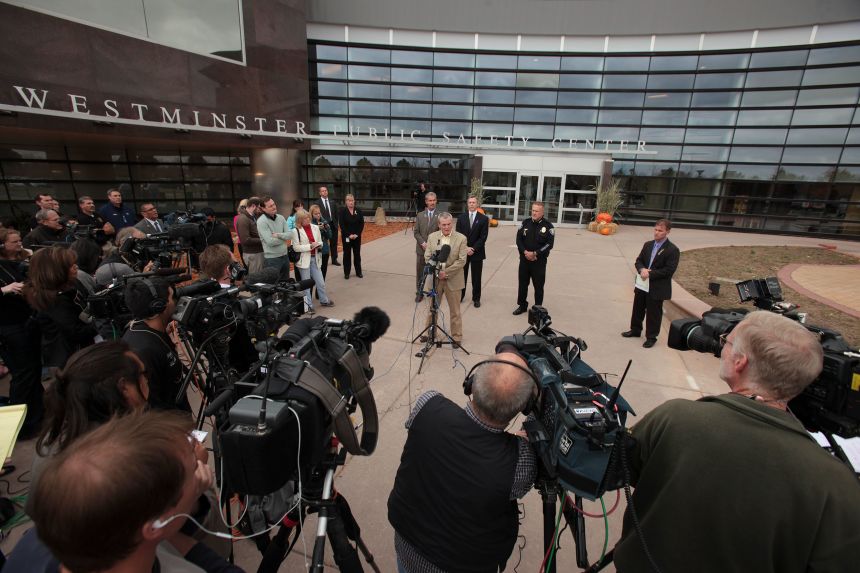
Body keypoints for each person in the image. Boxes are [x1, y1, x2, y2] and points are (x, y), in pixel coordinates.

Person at [614, 311, 860, 572]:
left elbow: (615, 468)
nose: (721, 348)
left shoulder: (675, 418)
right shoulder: (837, 484)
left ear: (740, 362)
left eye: (726, 342)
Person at [9, 409, 243, 573]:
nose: (200, 468)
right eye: (193, 467)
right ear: (154, 524)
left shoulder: (61, 537)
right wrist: (199, 495)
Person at [388, 351, 538, 573]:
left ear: (472, 383)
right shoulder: (520, 462)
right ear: (522, 407)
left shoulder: (427, 405)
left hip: (407, 547)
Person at [24, 246, 98, 370]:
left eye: (75, 264)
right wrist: (101, 323)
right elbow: (76, 332)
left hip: (80, 350)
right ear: (56, 271)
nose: (76, 267)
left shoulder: (70, 285)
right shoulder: (53, 300)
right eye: (71, 266)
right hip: (72, 358)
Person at [0, 227, 43, 438]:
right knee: (23, 375)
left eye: (19, 241)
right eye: (14, 242)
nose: (19, 244)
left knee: (34, 370)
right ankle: (19, 427)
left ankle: (37, 416)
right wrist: (4, 290)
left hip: (27, 320)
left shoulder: (22, 260)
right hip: (9, 326)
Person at [122, 276, 188, 411]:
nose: (175, 301)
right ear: (159, 306)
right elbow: (152, 404)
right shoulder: (144, 351)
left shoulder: (147, 331)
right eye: (171, 297)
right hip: (171, 426)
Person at [620, 219, 680, 348]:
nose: (656, 233)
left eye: (660, 231)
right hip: (642, 284)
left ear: (667, 232)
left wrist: (650, 273)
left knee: (654, 313)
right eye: (655, 229)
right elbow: (639, 260)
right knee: (638, 308)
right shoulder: (648, 245)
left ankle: (651, 337)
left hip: (657, 287)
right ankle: (635, 330)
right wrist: (641, 269)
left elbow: (669, 270)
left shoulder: (672, 250)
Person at [421, 212, 467, 345]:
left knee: (455, 311)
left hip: (453, 279)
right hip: (435, 279)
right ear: (439, 224)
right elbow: (427, 256)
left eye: (448, 224)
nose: (446, 227)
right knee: (432, 309)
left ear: (452, 223)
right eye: (443, 225)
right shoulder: (432, 237)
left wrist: (445, 272)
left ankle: (457, 337)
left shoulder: (461, 238)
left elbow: (462, 261)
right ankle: (430, 333)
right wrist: (437, 270)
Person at [513, 202, 554, 316]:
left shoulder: (548, 226)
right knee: (522, 285)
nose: (534, 213)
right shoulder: (525, 223)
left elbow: (549, 244)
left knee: (539, 286)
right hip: (525, 261)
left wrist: (536, 253)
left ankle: (537, 309)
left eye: (537, 211)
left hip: (539, 262)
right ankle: (522, 306)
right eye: (533, 210)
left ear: (542, 212)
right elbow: (518, 239)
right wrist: (525, 252)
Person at [291, 209, 334, 312]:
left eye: (308, 217)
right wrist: (310, 246)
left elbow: (321, 241)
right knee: (306, 285)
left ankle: (324, 300)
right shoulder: (295, 230)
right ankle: (309, 306)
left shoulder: (315, 227)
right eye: (305, 218)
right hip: (304, 260)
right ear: (300, 220)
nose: (308, 219)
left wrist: (319, 244)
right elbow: (296, 247)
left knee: (321, 282)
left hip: (315, 258)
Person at [456, 196, 489, 308]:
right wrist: (466, 248)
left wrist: (473, 248)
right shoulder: (461, 218)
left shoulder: (484, 219)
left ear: (477, 204)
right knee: (462, 276)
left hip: (477, 253)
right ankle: (461, 296)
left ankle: (476, 299)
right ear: (467, 204)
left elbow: (483, 237)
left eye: (473, 202)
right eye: (469, 202)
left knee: (476, 277)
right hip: (463, 252)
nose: (471, 204)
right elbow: (458, 235)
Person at [256, 195, 293, 280]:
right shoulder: (261, 221)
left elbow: (290, 234)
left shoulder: (281, 217)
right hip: (272, 260)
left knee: (286, 285)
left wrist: (279, 235)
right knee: (273, 287)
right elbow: (270, 242)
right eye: (270, 206)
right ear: (263, 209)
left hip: (285, 256)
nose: (274, 207)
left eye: (274, 204)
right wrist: (284, 239)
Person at [413, 191, 439, 302]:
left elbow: (442, 233)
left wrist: (432, 245)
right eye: (430, 200)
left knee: (435, 273)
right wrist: (423, 243)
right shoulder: (419, 215)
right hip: (421, 249)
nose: (432, 202)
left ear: (436, 201)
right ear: (426, 202)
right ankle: (419, 292)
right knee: (420, 272)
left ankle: (436, 292)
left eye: (434, 200)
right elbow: (416, 232)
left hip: (434, 251)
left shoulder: (440, 216)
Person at [339, 193, 364, 279]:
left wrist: (357, 234)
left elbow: (361, 224)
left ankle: (358, 272)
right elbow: (342, 225)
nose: (351, 202)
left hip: (357, 237)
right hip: (347, 237)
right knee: (347, 255)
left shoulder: (359, 211)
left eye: (352, 200)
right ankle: (347, 273)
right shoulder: (342, 211)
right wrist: (349, 235)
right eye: (349, 200)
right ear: (346, 202)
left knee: (357, 254)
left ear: (354, 201)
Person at [236, 196, 263, 274]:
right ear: (253, 206)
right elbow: (245, 240)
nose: (260, 210)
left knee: (260, 278)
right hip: (253, 254)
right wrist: (263, 239)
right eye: (259, 208)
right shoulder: (243, 219)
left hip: (257, 253)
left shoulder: (252, 217)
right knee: (256, 279)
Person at [309, 204, 332, 298]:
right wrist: (317, 229)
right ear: (311, 214)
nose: (318, 215)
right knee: (312, 275)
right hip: (314, 252)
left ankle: (319, 293)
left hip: (325, 251)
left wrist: (325, 229)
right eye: (315, 214)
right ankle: (309, 293)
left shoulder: (324, 221)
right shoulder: (310, 224)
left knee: (323, 272)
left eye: (319, 213)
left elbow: (330, 236)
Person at [315, 186, 340, 266]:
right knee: (323, 243)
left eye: (325, 190)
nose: (324, 192)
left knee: (334, 243)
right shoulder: (317, 203)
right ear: (320, 193)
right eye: (322, 191)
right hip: (323, 226)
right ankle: (322, 260)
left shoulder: (332, 202)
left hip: (333, 225)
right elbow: (315, 215)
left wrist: (336, 223)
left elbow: (336, 213)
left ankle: (334, 259)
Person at [233, 199, 248, 265]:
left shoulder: (236, 218)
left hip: (241, 243)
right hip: (250, 242)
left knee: (245, 262)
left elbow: (237, 231)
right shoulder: (251, 217)